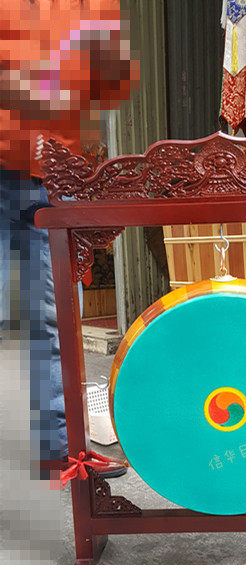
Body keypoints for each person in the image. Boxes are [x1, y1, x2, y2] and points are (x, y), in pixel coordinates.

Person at [0, 0, 139, 478]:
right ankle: (56, 449)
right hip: (23, 167)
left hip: (38, 166)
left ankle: (51, 444)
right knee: (45, 317)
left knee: (41, 315)